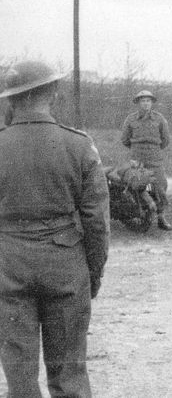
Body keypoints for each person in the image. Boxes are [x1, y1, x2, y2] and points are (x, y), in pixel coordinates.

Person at [0, 60, 110, 397]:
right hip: (65, 265)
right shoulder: (78, 145)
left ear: (11, 100)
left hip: (7, 265)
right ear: (53, 93)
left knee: (19, 375)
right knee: (69, 372)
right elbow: (96, 221)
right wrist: (93, 272)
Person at [121, 90, 172, 230]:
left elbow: (165, 140)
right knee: (136, 185)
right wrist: (137, 149)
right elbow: (125, 139)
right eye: (142, 100)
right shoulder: (130, 119)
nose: (145, 103)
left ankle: (161, 217)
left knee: (161, 185)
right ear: (138, 103)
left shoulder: (160, 119)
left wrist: (153, 149)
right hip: (137, 159)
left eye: (148, 100)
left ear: (152, 103)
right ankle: (139, 213)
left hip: (154, 158)